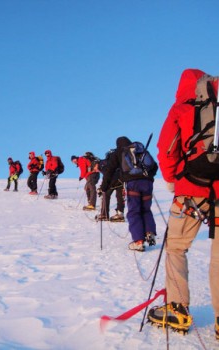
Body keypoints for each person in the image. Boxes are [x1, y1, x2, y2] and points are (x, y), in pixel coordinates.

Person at [147, 68, 219, 337]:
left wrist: (171, 178)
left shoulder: (182, 106)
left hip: (192, 187)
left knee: (176, 246)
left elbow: (167, 147)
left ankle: (177, 308)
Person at [100, 136, 158, 252]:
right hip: (147, 183)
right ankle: (149, 232)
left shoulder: (119, 152)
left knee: (134, 211)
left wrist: (104, 187)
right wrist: (147, 176)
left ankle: (138, 241)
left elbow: (109, 170)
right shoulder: (139, 149)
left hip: (133, 184)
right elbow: (154, 166)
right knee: (146, 209)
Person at [97, 149, 125, 221]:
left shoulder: (104, 162)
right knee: (120, 196)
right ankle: (120, 214)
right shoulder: (121, 160)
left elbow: (106, 174)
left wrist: (102, 187)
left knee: (106, 194)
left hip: (112, 180)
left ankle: (104, 214)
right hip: (121, 179)